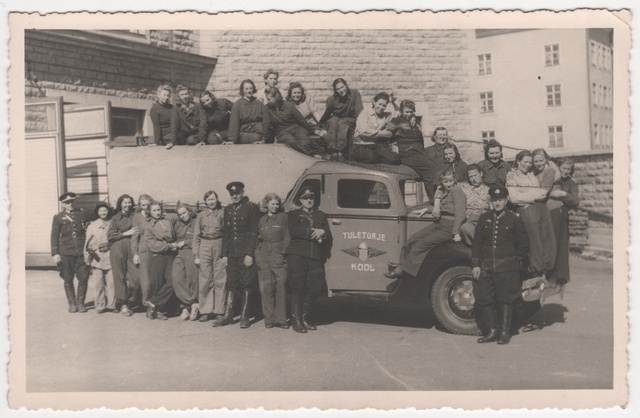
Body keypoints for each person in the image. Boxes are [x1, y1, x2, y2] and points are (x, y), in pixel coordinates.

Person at [472, 186, 530, 345]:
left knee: (505, 299)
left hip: (507, 268)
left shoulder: (514, 218)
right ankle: (492, 330)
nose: (497, 203)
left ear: (506, 200)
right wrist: (476, 264)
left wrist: (514, 259)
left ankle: (505, 332)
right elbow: (477, 243)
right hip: (487, 266)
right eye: (494, 200)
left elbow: (524, 244)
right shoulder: (484, 218)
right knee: (484, 298)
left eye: (500, 200)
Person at [384, 169, 467, 279]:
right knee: (413, 239)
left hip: (449, 226)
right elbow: (444, 208)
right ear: (441, 182)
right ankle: (403, 264)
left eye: (450, 180)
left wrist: (456, 232)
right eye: (445, 181)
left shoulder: (456, 191)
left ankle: (401, 271)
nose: (448, 184)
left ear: (455, 180)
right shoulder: (445, 192)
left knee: (421, 245)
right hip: (440, 223)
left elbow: (460, 214)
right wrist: (427, 209)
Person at [286, 188, 333, 333]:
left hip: (315, 257)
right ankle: (296, 321)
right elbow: (295, 231)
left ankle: (306, 318)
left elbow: (329, 236)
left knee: (315, 287)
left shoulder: (320, 215)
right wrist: (315, 233)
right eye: (306, 198)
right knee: (297, 287)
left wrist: (324, 232)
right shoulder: (293, 214)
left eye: (311, 197)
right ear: (300, 200)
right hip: (297, 255)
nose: (309, 200)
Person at [506, 151, 557, 281]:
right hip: (527, 209)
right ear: (518, 161)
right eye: (525, 162)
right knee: (534, 242)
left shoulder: (532, 173)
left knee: (547, 240)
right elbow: (513, 197)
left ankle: (546, 273)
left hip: (541, 208)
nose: (528, 165)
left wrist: (550, 161)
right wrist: (534, 196)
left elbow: (553, 173)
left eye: (530, 162)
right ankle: (536, 273)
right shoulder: (512, 175)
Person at [220, 182, 261, 328]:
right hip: (231, 253)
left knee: (246, 283)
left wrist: (249, 253)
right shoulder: (228, 209)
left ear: (242, 192)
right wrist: (224, 254)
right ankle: (228, 315)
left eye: (237, 193)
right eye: (232, 194)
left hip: (245, 254)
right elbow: (226, 233)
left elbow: (253, 232)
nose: (234, 196)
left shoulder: (251, 208)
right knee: (231, 283)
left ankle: (245, 316)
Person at [50, 192, 95, 313]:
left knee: (83, 277)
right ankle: (71, 303)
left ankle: (80, 303)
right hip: (65, 252)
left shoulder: (82, 213)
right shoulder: (58, 217)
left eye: (71, 202)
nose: (70, 204)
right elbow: (54, 236)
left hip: (81, 251)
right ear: (63, 204)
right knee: (68, 278)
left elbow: (99, 212)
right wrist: (55, 253)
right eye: (67, 203)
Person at [255, 193, 291, 329]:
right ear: (267, 205)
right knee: (266, 288)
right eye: (272, 204)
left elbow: (287, 237)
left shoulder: (284, 218)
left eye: (277, 204)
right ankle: (269, 319)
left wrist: (283, 252)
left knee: (281, 286)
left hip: (278, 254)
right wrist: (258, 256)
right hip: (264, 255)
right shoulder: (262, 220)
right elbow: (259, 239)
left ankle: (281, 319)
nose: (275, 206)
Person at [384, 100, 433, 197]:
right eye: (407, 112)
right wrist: (391, 148)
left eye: (411, 112)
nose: (409, 114)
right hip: (407, 153)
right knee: (429, 169)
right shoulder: (396, 121)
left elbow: (420, 139)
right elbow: (385, 134)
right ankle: (434, 202)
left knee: (435, 163)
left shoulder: (415, 121)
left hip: (418, 151)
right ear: (401, 111)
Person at [192, 191, 227, 325]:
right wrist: (196, 255)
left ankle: (219, 311)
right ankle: (205, 311)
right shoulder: (201, 216)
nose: (211, 202)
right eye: (208, 200)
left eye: (213, 199)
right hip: (204, 246)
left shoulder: (222, 213)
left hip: (219, 243)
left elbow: (226, 233)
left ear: (217, 200)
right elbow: (196, 236)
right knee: (205, 279)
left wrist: (225, 252)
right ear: (205, 202)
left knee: (220, 279)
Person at [263, 87, 328, 157]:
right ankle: (312, 154)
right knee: (291, 142)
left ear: (276, 97)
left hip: (296, 128)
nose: (267, 101)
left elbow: (301, 120)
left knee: (304, 140)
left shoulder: (289, 105)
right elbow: (266, 124)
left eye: (269, 99)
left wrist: (313, 129)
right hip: (282, 132)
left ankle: (313, 154)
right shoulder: (267, 108)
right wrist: (265, 139)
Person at [547, 159, 580, 286]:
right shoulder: (553, 179)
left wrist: (563, 194)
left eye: (568, 170)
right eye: (564, 168)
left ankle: (559, 276)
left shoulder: (571, 184)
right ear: (558, 167)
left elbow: (575, 200)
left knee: (560, 244)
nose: (566, 172)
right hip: (548, 213)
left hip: (561, 216)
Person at [143, 201, 178, 320]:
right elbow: (153, 245)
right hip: (157, 256)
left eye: (159, 210)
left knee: (172, 282)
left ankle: (152, 302)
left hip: (170, 256)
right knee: (156, 283)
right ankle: (156, 311)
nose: (157, 212)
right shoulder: (149, 227)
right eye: (154, 210)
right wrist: (169, 246)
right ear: (149, 212)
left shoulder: (168, 221)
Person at [107, 194, 139, 316]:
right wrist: (126, 233)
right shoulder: (115, 218)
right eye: (125, 203)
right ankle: (123, 304)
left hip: (132, 248)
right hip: (118, 248)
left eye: (129, 202)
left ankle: (131, 301)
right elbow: (110, 236)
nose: (127, 205)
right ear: (120, 204)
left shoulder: (136, 216)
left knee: (136, 278)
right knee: (119, 277)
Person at [318, 78, 364, 160]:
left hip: (350, 119)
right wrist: (323, 127)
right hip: (336, 118)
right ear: (335, 90)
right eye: (338, 89)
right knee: (333, 121)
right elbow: (327, 115)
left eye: (342, 87)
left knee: (342, 123)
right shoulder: (331, 99)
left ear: (346, 85)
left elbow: (359, 112)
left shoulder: (355, 94)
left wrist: (359, 126)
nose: (341, 90)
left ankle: (341, 150)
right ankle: (332, 150)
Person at [352, 92, 401, 165]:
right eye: (379, 104)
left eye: (384, 105)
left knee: (394, 159)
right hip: (361, 145)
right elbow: (363, 131)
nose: (381, 107)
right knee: (371, 157)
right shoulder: (365, 113)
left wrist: (394, 102)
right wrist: (382, 134)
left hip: (376, 145)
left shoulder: (386, 116)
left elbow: (399, 113)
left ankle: (379, 156)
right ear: (374, 102)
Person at [84, 202, 115, 314]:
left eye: (105, 210)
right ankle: (100, 305)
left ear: (108, 211)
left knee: (111, 283)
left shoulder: (113, 222)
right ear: (97, 212)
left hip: (111, 257)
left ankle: (112, 304)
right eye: (100, 211)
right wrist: (88, 255)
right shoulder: (93, 225)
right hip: (97, 258)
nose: (103, 213)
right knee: (99, 284)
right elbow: (87, 243)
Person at [172, 204, 200, 321]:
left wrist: (185, 242)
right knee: (177, 278)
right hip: (179, 253)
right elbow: (173, 237)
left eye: (184, 213)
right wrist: (174, 245)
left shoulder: (196, 222)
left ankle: (187, 307)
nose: (182, 216)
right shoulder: (177, 224)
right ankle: (190, 303)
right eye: (180, 214)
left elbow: (199, 237)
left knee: (193, 279)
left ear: (189, 211)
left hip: (192, 252)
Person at [458, 164, 491, 246]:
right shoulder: (464, 188)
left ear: (481, 174)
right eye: (471, 176)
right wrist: (437, 200)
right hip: (470, 222)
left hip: (484, 222)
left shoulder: (489, 190)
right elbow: (446, 183)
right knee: (464, 228)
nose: (473, 179)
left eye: (475, 175)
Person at [228, 79, 268, 144]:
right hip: (244, 132)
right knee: (257, 138)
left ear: (253, 89)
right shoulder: (237, 105)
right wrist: (232, 140)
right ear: (242, 90)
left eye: (251, 88)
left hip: (258, 129)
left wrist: (264, 138)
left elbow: (265, 121)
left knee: (266, 136)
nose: (249, 91)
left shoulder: (259, 103)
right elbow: (234, 124)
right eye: (246, 89)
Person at [130, 194, 153, 305]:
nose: (145, 207)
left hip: (157, 248)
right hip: (144, 248)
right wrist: (135, 253)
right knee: (146, 279)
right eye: (143, 205)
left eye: (147, 205)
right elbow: (135, 236)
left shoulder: (156, 213)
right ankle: (147, 304)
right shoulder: (137, 217)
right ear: (140, 205)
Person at [424, 127, 452, 199]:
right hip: (433, 185)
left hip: (449, 182)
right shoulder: (428, 150)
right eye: (440, 135)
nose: (442, 137)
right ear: (435, 137)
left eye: (444, 135)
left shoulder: (452, 149)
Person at [149, 84, 173, 149]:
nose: (166, 97)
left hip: (175, 133)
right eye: (164, 95)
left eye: (168, 95)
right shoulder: (155, 109)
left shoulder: (172, 107)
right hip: (165, 136)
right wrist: (156, 142)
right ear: (158, 95)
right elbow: (156, 126)